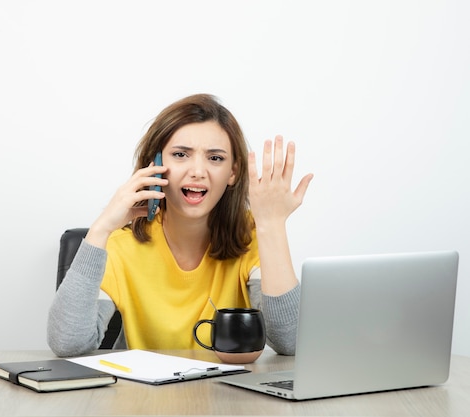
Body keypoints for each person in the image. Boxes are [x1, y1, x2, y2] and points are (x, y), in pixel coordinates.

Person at [47, 93, 313, 356]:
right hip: (142, 397)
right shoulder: (121, 246)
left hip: (228, 397)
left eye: (215, 158)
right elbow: (68, 343)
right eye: (181, 155)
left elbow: (290, 342)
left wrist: (272, 225)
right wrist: (101, 228)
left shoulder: (253, 236)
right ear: (156, 165)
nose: (197, 171)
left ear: (233, 172)